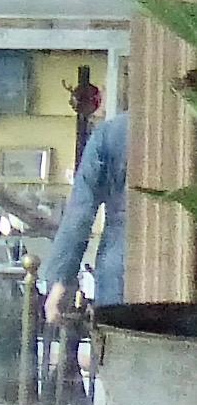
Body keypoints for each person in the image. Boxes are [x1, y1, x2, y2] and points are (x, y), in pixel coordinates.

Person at [43, 109, 128, 319]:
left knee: (117, 343)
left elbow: (80, 212)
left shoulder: (110, 133)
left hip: (119, 266)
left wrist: (61, 279)